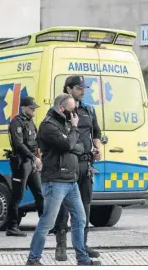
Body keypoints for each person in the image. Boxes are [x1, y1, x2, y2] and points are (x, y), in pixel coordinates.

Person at [26, 93, 100, 266]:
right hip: (55, 181)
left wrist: (71, 141)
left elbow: (79, 146)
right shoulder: (48, 125)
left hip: (70, 181)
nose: (74, 115)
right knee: (47, 222)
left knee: (80, 219)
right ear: (61, 108)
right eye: (71, 110)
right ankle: (33, 259)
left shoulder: (64, 123)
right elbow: (68, 145)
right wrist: (73, 132)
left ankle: (82, 259)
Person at [51, 76, 102, 261]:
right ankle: (61, 245)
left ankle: (82, 244)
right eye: (79, 88)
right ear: (69, 89)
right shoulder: (60, 110)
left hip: (85, 164)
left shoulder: (88, 109)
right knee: (64, 206)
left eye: (84, 87)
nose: (83, 91)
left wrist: (98, 147)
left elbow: (96, 132)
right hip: (67, 164)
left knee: (85, 206)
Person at [5, 96, 44, 237]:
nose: (34, 110)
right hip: (21, 163)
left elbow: (36, 142)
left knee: (39, 193)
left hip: (31, 163)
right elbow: (19, 144)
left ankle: (45, 225)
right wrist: (34, 158)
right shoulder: (17, 122)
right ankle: (12, 227)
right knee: (17, 195)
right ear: (23, 108)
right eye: (31, 108)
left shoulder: (31, 122)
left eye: (34, 108)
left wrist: (38, 159)